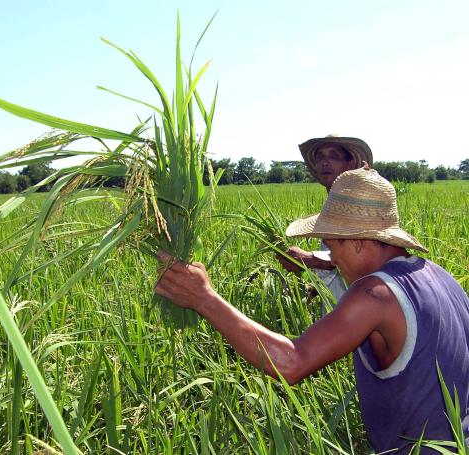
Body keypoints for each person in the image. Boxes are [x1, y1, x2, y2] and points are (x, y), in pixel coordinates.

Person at [155, 167, 469, 453]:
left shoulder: (374, 294)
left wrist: (205, 299)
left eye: (332, 247)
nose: (332, 257)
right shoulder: (437, 275)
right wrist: (314, 261)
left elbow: (292, 363)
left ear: (358, 243)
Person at [276, 136, 374, 302]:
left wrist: (310, 258)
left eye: (334, 156)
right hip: (337, 315)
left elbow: (363, 256)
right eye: (320, 156)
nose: (325, 162)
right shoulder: (331, 205)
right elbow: (338, 270)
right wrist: (312, 290)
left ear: (350, 164)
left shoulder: (359, 205)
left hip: (360, 316)